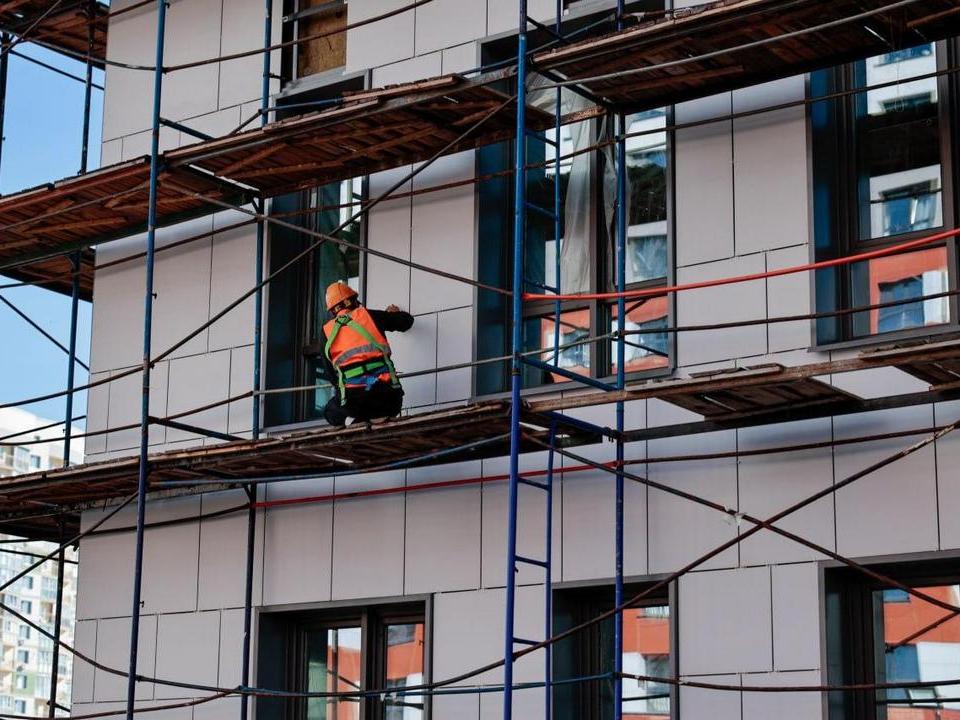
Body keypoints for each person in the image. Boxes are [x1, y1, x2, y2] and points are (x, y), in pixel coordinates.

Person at [319, 281, 414, 427]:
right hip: (389, 399)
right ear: (354, 300)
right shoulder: (371, 316)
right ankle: (377, 417)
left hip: (355, 405)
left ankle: (355, 421)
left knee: (330, 411)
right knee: (383, 398)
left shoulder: (326, 332)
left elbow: (332, 376)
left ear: (333, 311)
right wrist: (392, 315)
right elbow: (406, 321)